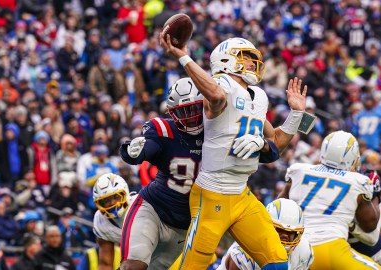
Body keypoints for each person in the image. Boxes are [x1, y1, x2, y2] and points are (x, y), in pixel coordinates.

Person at [161, 34, 315, 270]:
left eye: (254, 58)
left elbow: (275, 144)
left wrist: (295, 115)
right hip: (213, 193)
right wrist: (182, 56)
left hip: (242, 193)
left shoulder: (259, 96)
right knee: (191, 266)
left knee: (277, 262)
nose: (253, 63)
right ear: (225, 60)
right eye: (247, 57)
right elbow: (216, 95)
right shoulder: (221, 86)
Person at [120, 77, 282, 270]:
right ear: (172, 113)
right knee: (134, 266)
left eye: (196, 109)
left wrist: (262, 144)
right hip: (154, 209)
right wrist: (133, 152)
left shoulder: (222, 129)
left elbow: (270, 154)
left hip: (188, 226)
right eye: (184, 111)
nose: (191, 117)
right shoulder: (164, 129)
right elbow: (145, 150)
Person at [282, 130, 381, 269]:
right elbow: (369, 225)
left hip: (292, 248)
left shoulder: (299, 171)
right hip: (329, 248)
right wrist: (375, 196)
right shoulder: (358, 181)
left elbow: (278, 209)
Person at [217, 198, 314, 270]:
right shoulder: (244, 252)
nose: (284, 236)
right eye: (279, 230)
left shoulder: (303, 249)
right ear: (267, 226)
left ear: (298, 234)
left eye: (290, 232)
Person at [92, 173, 136, 270]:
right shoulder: (100, 221)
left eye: (115, 197)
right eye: (106, 201)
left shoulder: (142, 206)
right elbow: (106, 264)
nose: (112, 203)